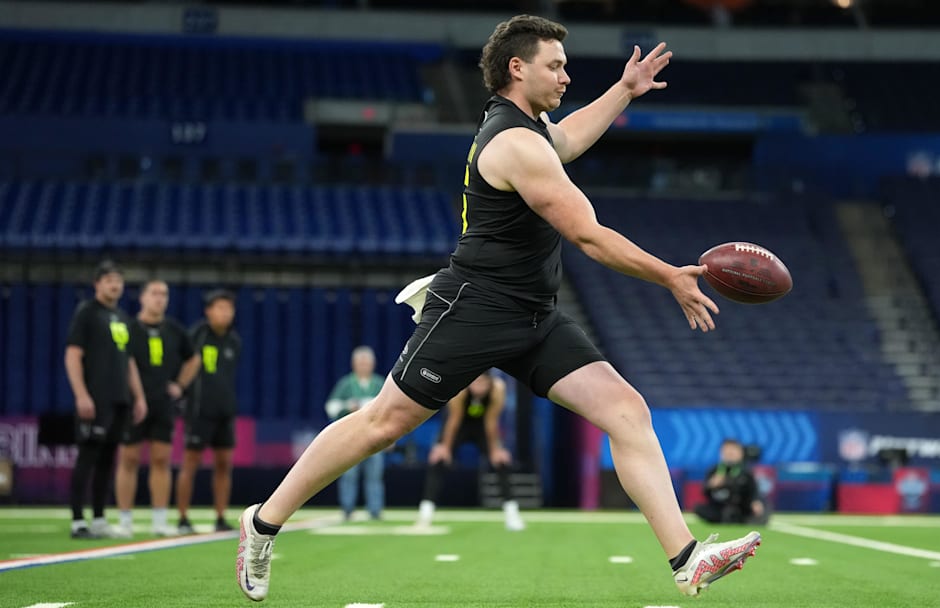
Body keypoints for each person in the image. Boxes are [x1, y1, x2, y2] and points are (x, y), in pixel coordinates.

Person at [235, 15, 759, 602]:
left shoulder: (531, 130)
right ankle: (261, 524)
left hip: (533, 315)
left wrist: (624, 90)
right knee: (383, 424)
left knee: (626, 409)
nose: (566, 75)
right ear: (517, 68)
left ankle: (686, 560)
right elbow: (586, 235)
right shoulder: (512, 143)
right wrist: (669, 275)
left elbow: (569, 139)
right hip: (475, 308)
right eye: (555, 65)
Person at [63, 260, 147, 539]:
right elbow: (73, 354)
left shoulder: (123, 318)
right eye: (109, 280)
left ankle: (99, 518)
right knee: (87, 456)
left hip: (119, 400)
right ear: (97, 284)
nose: (115, 285)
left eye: (119, 280)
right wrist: (81, 394)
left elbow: (129, 361)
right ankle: (78, 520)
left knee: (108, 460)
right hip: (95, 398)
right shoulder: (87, 312)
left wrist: (139, 397)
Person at [115, 280, 200, 537]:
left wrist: (180, 385)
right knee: (128, 458)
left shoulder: (174, 330)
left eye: (164, 294)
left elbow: (193, 358)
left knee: (161, 459)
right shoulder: (129, 329)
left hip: (163, 403)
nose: (160, 299)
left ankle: (160, 520)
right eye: (154, 293)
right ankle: (125, 520)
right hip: (133, 403)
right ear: (142, 298)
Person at [417, 370, 525, 531]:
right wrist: (445, 447)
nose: (479, 387)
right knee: (438, 460)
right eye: (476, 382)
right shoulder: (461, 389)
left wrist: (496, 449)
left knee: (501, 462)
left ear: (489, 382)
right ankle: (426, 513)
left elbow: (491, 421)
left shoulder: (498, 389)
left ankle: (512, 513)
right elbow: (454, 419)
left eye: (483, 383)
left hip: (482, 427)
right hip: (458, 426)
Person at [177, 289, 241, 534]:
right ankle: (183, 517)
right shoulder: (197, 336)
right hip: (199, 410)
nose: (226, 313)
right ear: (208, 311)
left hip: (225, 410)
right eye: (220, 307)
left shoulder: (234, 341)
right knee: (190, 462)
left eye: (229, 308)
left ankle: (221, 516)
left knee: (224, 464)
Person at [325, 346, 386, 521]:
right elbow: (331, 406)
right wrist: (347, 407)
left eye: (367, 363)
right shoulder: (346, 384)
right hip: (350, 437)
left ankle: (375, 510)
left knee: (374, 475)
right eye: (361, 363)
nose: (364, 366)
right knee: (348, 474)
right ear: (354, 364)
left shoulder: (380, 384)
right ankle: (347, 508)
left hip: (375, 437)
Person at [694, 439, 765, 525]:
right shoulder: (714, 470)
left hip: (740, 507)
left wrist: (755, 501)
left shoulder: (745, 471)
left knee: (758, 510)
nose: (730, 454)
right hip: (719, 507)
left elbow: (753, 490)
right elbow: (705, 492)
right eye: (727, 451)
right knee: (700, 509)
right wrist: (711, 485)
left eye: (733, 451)